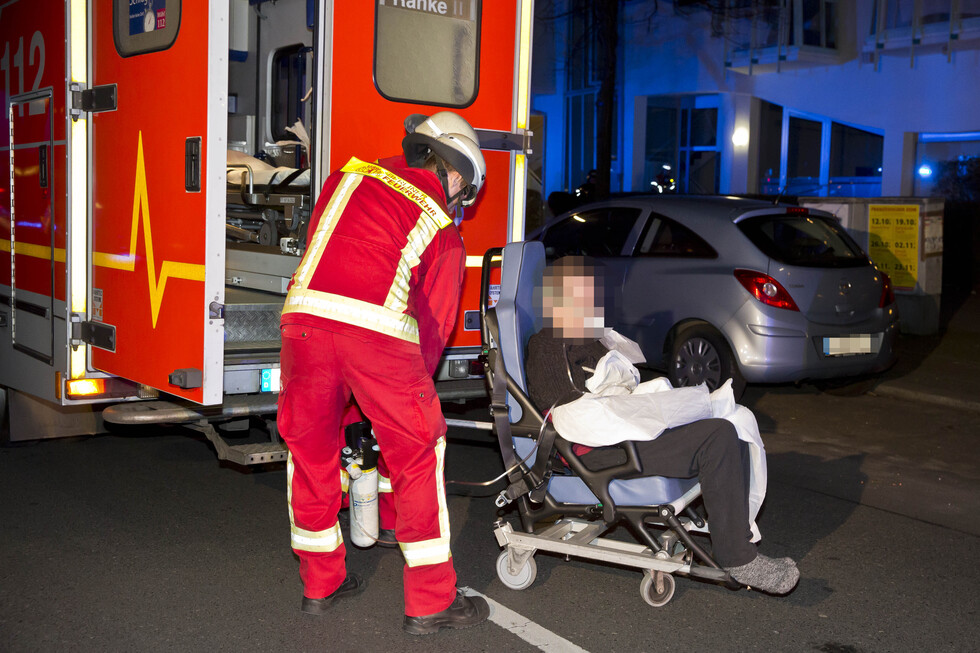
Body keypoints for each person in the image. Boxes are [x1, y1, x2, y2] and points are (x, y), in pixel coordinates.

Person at [277, 111, 491, 634]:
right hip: (378, 338)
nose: (458, 203)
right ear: (455, 173)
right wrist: (403, 396)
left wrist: (355, 396)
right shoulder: (442, 230)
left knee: (311, 451)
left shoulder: (345, 177)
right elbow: (433, 332)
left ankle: (320, 585)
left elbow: (320, 250)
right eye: (463, 193)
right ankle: (431, 601)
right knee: (417, 450)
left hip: (303, 323)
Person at [524, 256, 800, 595]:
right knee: (717, 435)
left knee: (731, 419)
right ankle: (737, 558)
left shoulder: (589, 338)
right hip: (597, 447)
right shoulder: (548, 344)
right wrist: (623, 395)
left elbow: (619, 387)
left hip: (620, 430)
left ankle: (736, 538)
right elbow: (567, 406)